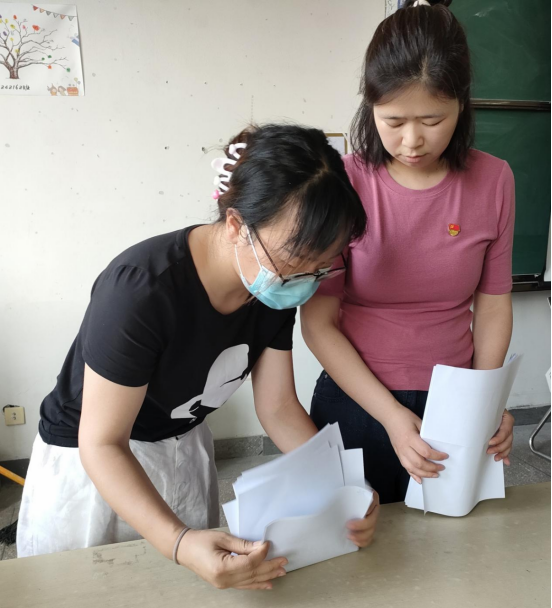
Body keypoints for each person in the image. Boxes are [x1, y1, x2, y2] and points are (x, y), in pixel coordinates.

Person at [17, 124, 379, 591]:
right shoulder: (141, 290)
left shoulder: (272, 287)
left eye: (323, 263)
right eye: (297, 258)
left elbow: (278, 408)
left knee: (182, 590)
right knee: (88, 590)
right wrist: (179, 542)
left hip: (181, 445)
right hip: (92, 464)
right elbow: (102, 441)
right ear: (237, 226)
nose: (309, 277)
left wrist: (343, 482)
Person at [302, 0, 516, 505]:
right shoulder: (344, 182)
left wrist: (484, 404)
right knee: (360, 539)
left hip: (454, 403)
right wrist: (393, 417)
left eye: (432, 119)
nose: (412, 140)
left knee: (453, 543)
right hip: (356, 400)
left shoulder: (494, 179)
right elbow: (318, 323)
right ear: (369, 106)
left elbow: (493, 305)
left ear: (461, 105)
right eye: (393, 120)